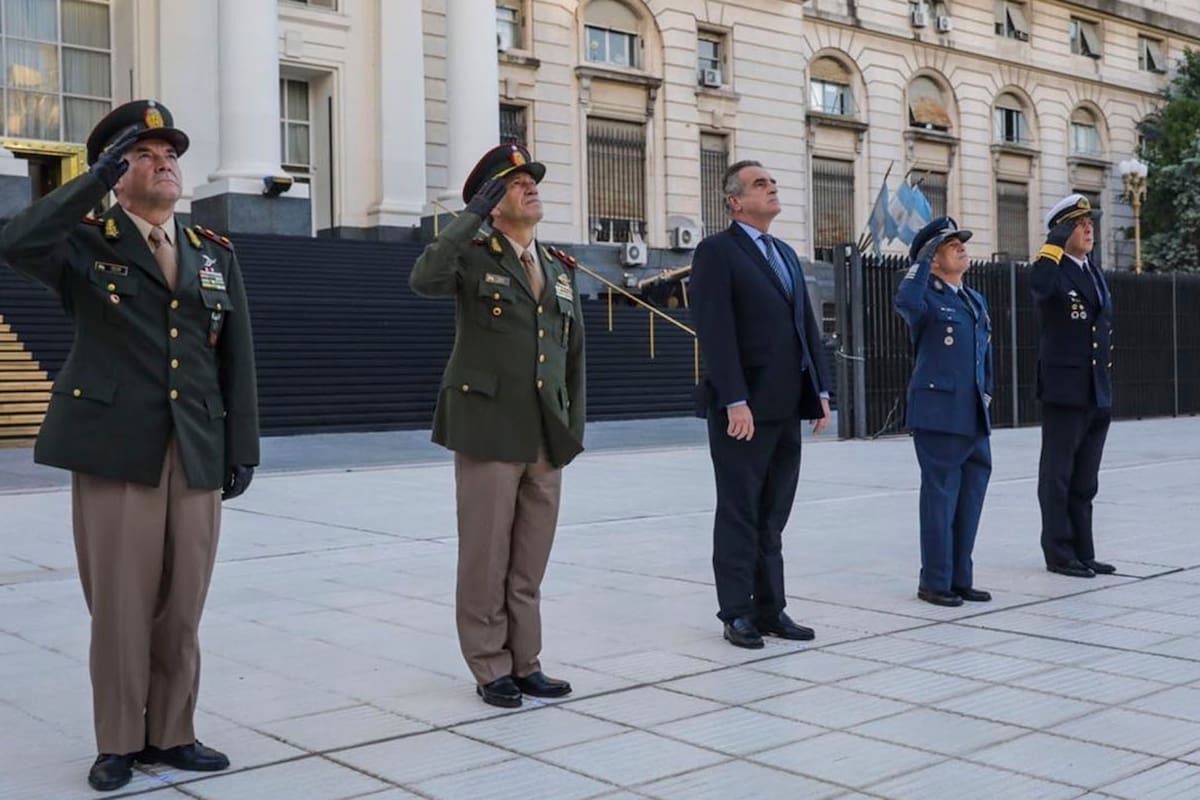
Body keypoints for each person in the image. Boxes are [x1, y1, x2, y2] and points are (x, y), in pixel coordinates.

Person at [0, 100, 258, 791]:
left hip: (197, 446)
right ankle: (118, 740)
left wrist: (243, 445)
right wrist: (91, 181)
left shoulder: (212, 253)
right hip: (116, 449)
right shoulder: (84, 241)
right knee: (120, 603)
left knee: (182, 604)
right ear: (116, 172)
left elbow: (237, 357)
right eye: (143, 154)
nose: (164, 161)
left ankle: (172, 733)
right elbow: (16, 242)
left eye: (170, 152)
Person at [409, 143, 585, 708]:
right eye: (515, 182)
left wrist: (570, 427)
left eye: (533, 178)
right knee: (485, 556)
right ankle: (490, 666)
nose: (531, 186)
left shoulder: (557, 266)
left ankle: (526, 661)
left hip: (544, 431)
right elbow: (423, 279)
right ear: (492, 201)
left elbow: (573, 352)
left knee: (530, 558)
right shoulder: (473, 255)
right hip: (488, 424)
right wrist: (467, 220)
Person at [689, 160, 831, 649]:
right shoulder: (716, 252)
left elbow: (805, 327)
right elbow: (715, 330)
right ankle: (737, 612)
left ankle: (772, 608)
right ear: (734, 202)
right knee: (739, 510)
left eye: (772, 182)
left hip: (786, 404)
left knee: (774, 513)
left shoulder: (785, 254)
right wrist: (734, 399)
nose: (772, 188)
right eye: (760, 184)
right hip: (743, 409)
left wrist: (822, 392)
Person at [895, 217, 994, 607]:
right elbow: (905, 302)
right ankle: (935, 581)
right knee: (941, 498)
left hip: (972, 413)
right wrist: (919, 263)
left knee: (969, 497)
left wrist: (986, 395)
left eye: (961, 242)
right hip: (938, 413)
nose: (961, 248)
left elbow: (984, 357)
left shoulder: (973, 299)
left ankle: (959, 577)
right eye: (950, 245)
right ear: (932, 261)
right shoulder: (925, 298)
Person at [1032, 194, 1115, 578]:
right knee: (1058, 474)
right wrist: (1053, 244)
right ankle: (1059, 552)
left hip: (1095, 389)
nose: (1088, 229)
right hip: (1065, 389)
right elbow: (1038, 287)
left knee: (1086, 479)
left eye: (1090, 224)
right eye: (1079, 224)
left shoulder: (1092, 271)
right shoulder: (1053, 269)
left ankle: (1084, 549)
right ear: (1063, 230)